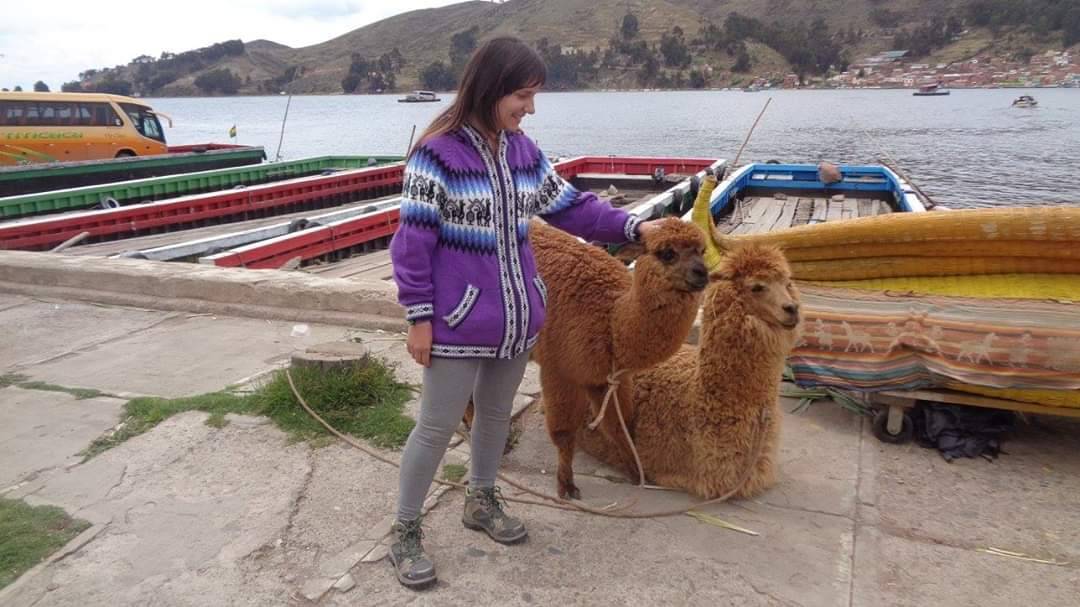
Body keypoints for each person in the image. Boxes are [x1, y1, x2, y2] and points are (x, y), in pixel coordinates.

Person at [388, 36, 661, 590]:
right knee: (436, 427)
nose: (530, 108)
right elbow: (411, 244)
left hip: (518, 321)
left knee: (494, 416)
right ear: (492, 89)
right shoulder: (436, 154)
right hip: (456, 325)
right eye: (523, 95)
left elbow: (573, 208)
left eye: (533, 97)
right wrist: (420, 317)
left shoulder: (523, 152)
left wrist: (635, 228)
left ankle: (481, 501)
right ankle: (405, 529)